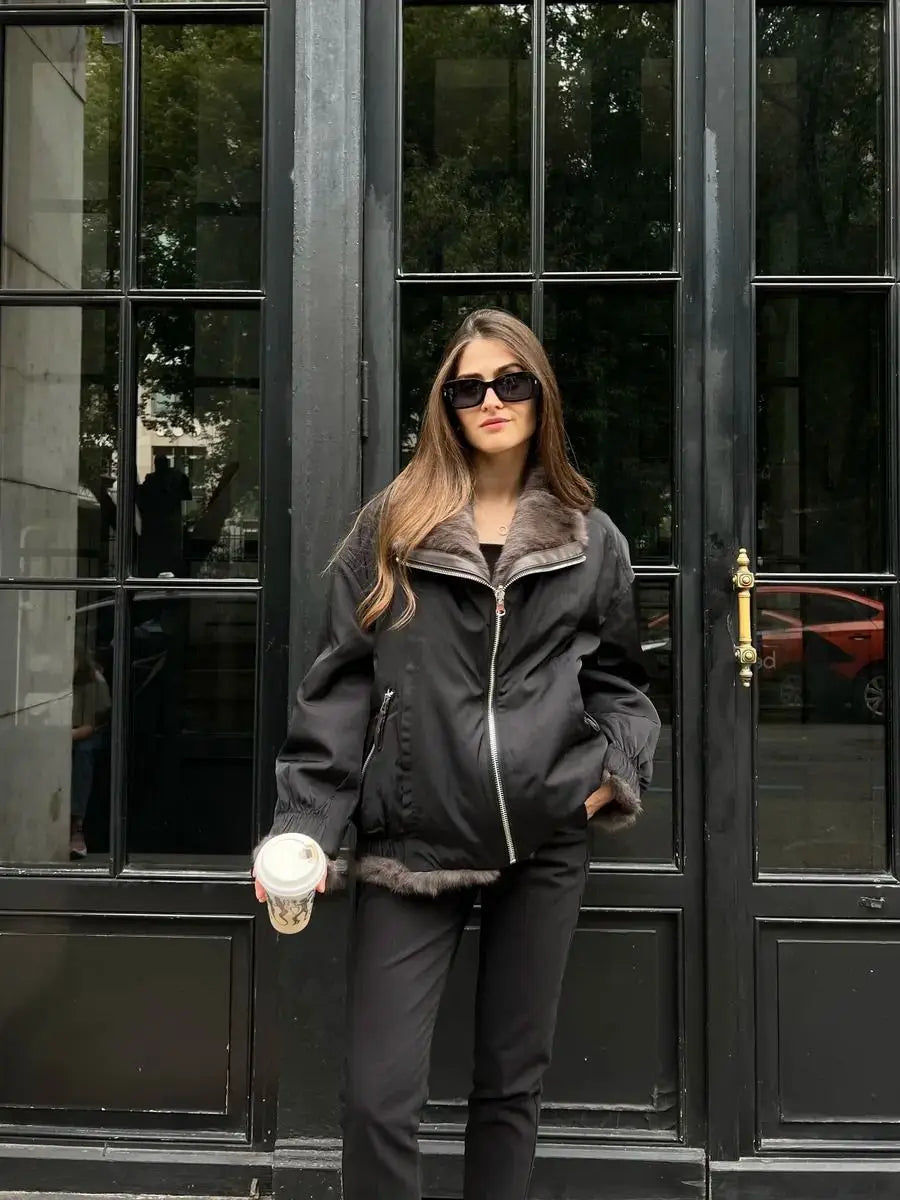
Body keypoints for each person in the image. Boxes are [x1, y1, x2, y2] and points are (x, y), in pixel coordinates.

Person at [254, 309, 660, 1200]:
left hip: (541, 840)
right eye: (468, 387)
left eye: (511, 382)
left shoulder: (591, 538)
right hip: (412, 840)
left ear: (541, 395)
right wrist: (305, 825)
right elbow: (340, 684)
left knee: (511, 1086)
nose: (491, 401)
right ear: (446, 405)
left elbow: (622, 684)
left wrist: (601, 782)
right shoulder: (393, 527)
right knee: (377, 1097)